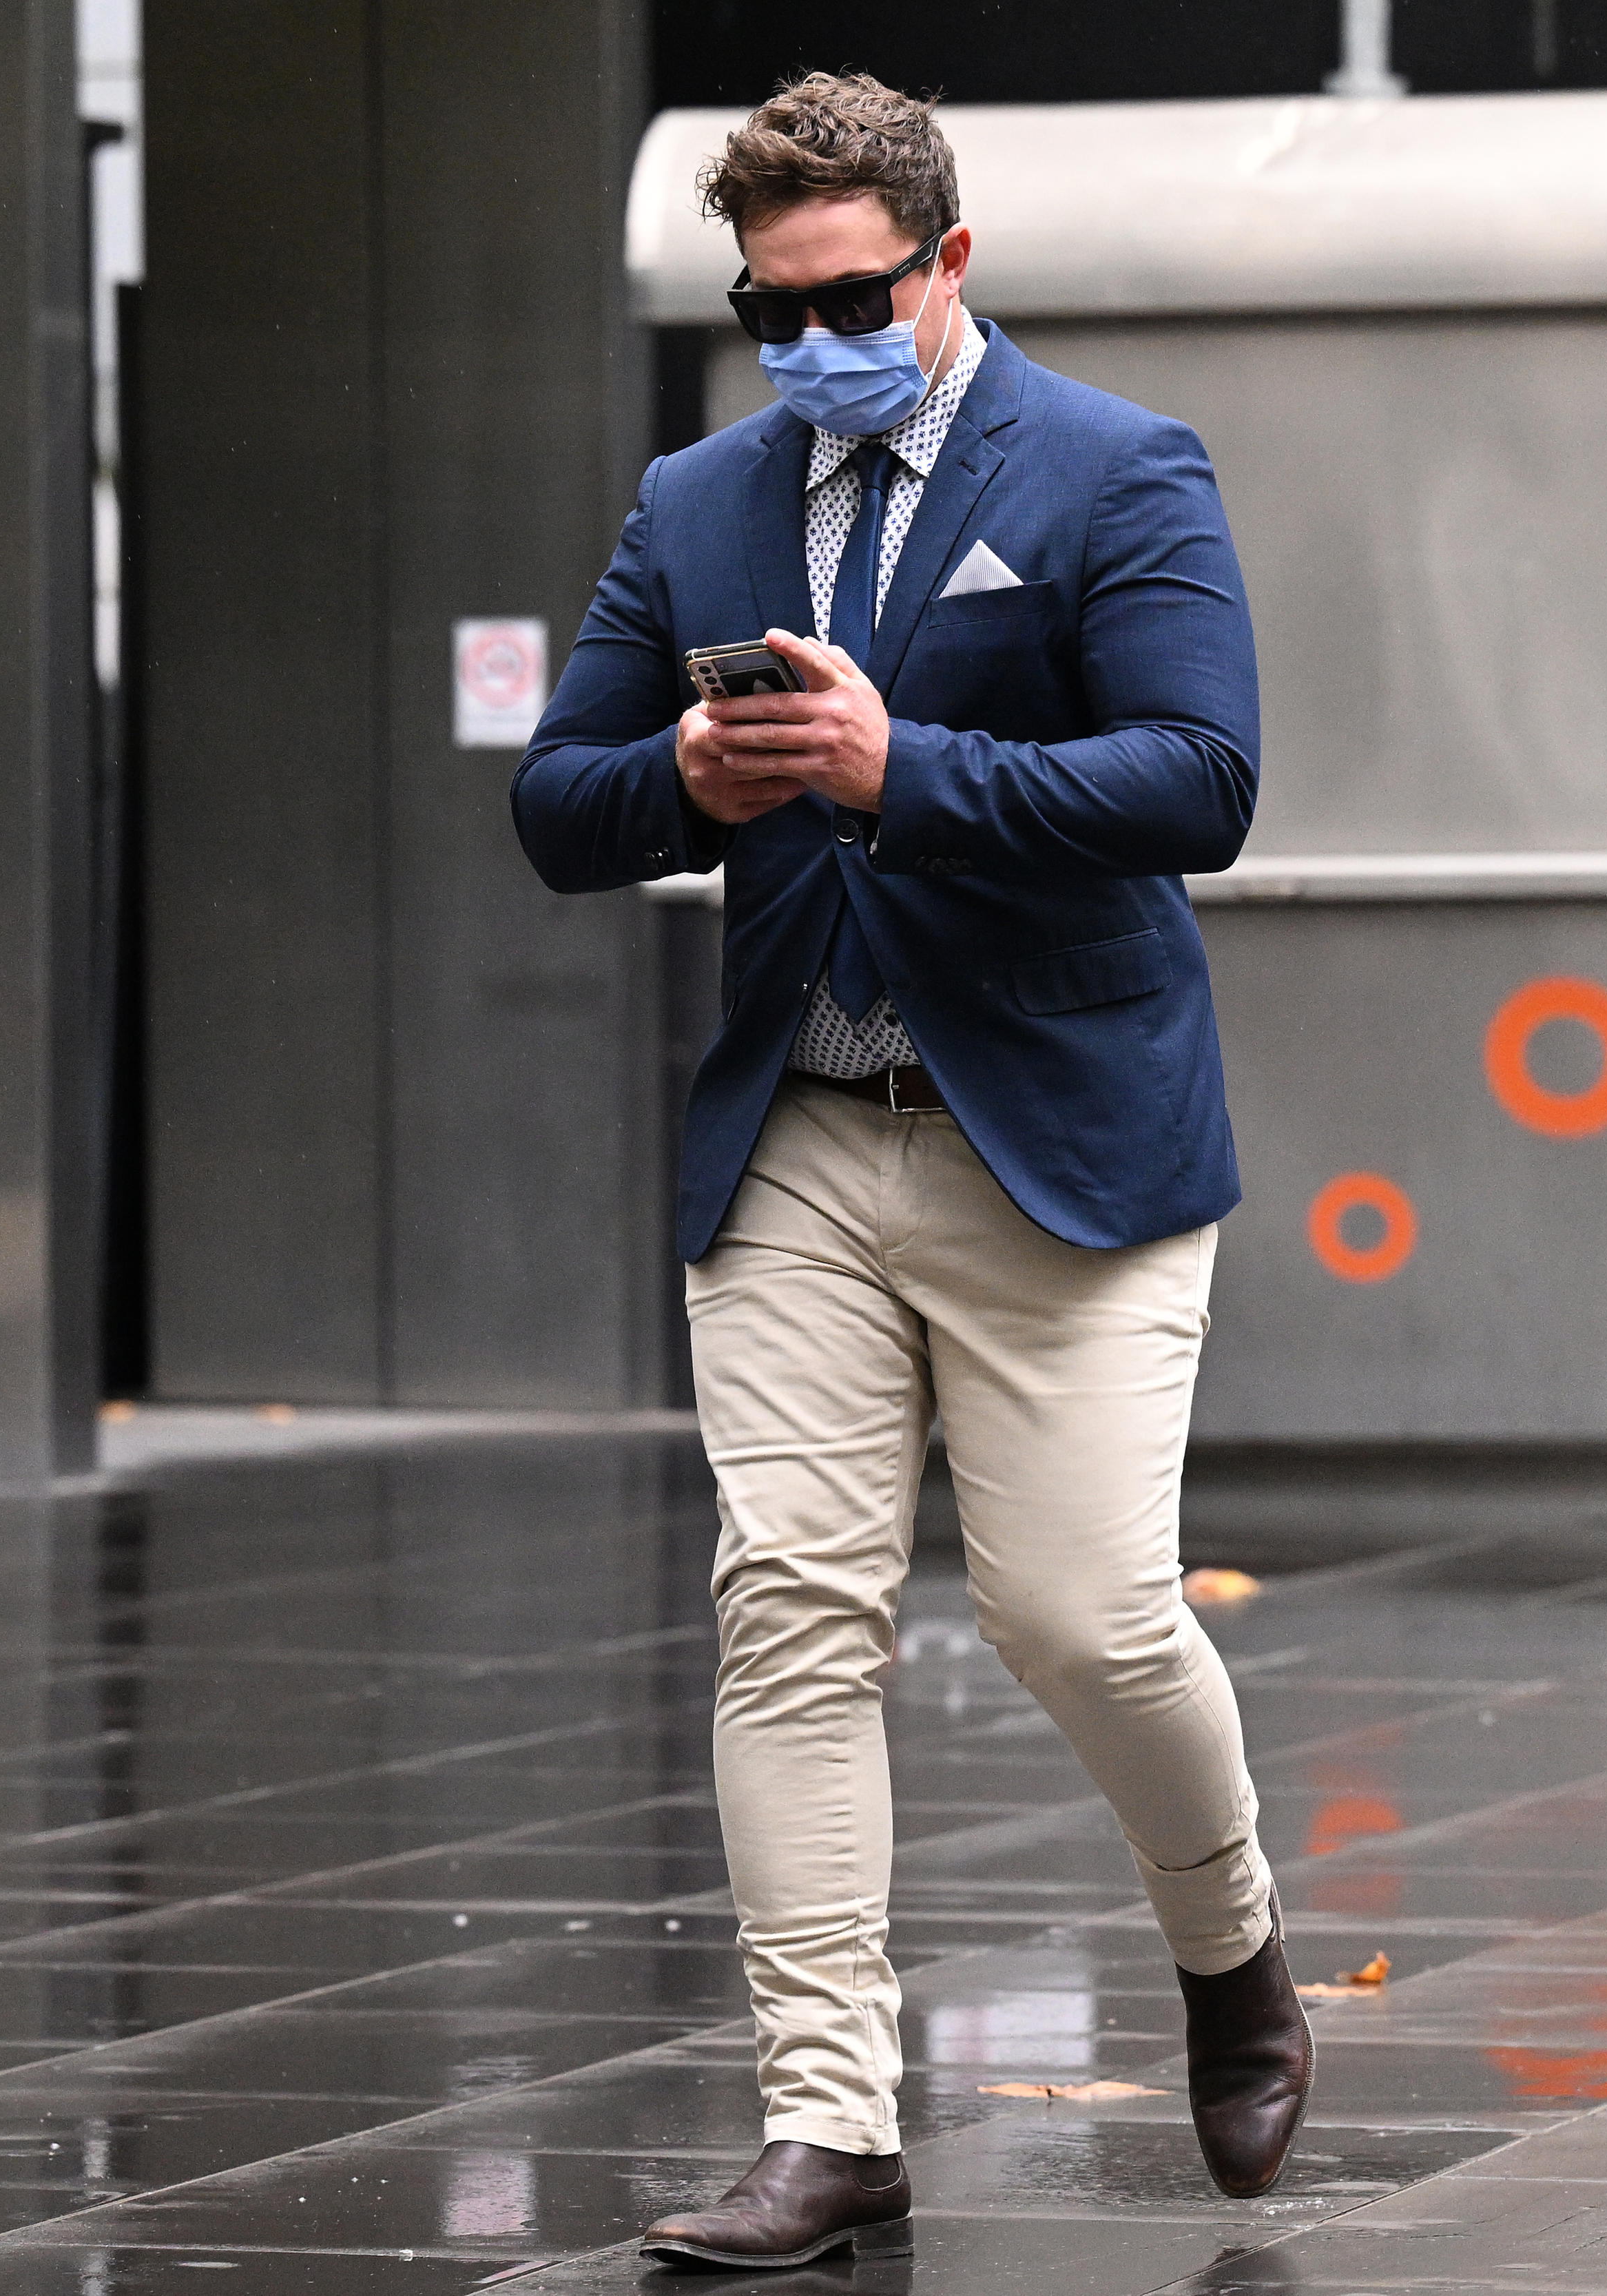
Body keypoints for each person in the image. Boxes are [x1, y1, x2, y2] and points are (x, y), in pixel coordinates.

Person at [510, 72, 1307, 2271]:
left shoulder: (1116, 466)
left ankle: (1231, 1942)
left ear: (950, 265)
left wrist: (902, 765)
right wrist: (684, 764)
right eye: (770, 312)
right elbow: (557, 801)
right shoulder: (701, 493)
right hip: (795, 1140)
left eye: (847, 300)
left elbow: (1202, 776)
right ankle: (831, 2114)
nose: (808, 348)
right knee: (791, 1608)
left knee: (1081, 1614)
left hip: (1059, 1135)